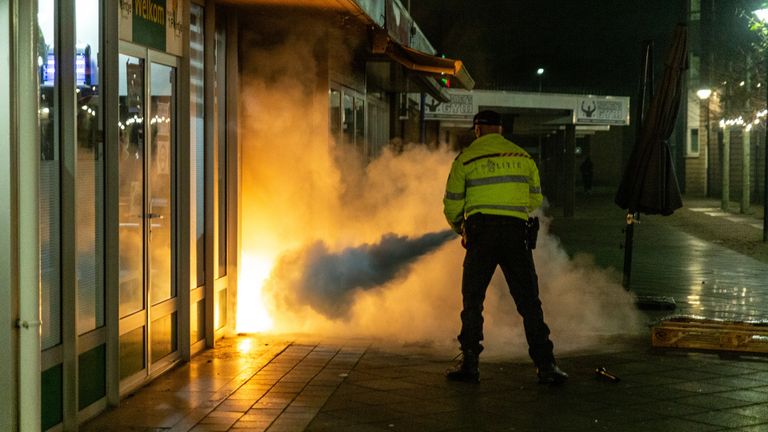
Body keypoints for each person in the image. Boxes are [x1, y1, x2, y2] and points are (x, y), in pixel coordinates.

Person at [442, 110, 568, 384]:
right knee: (529, 302)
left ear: (477, 130)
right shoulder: (523, 157)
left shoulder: (466, 159)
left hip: (480, 234)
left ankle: (470, 364)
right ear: (500, 130)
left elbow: (452, 203)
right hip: (515, 235)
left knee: (473, 301)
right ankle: (546, 365)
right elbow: (534, 199)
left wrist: (460, 228)